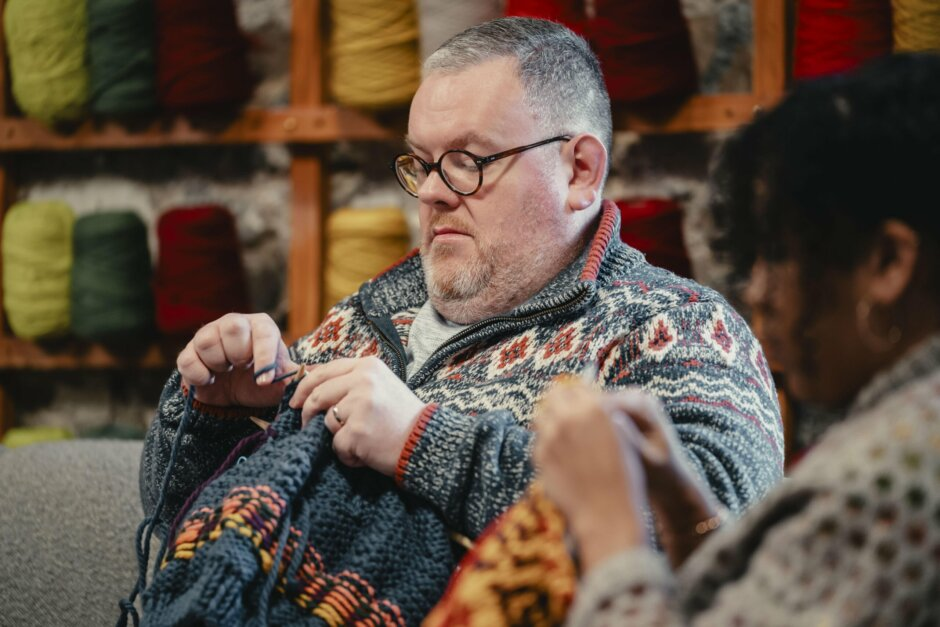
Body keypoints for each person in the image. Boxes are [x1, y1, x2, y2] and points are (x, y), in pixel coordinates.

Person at [141, 17, 782, 554]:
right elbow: (180, 532)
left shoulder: (680, 330)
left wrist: (421, 442)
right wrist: (212, 416)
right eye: (421, 163)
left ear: (581, 172)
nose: (434, 192)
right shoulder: (362, 321)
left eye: (469, 161)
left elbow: (721, 544)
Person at [535, 53, 940, 626]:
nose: (758, 292)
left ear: (889, 262)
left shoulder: (892, 483)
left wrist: (610, 527)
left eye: (777, 255)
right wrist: (685, 510)